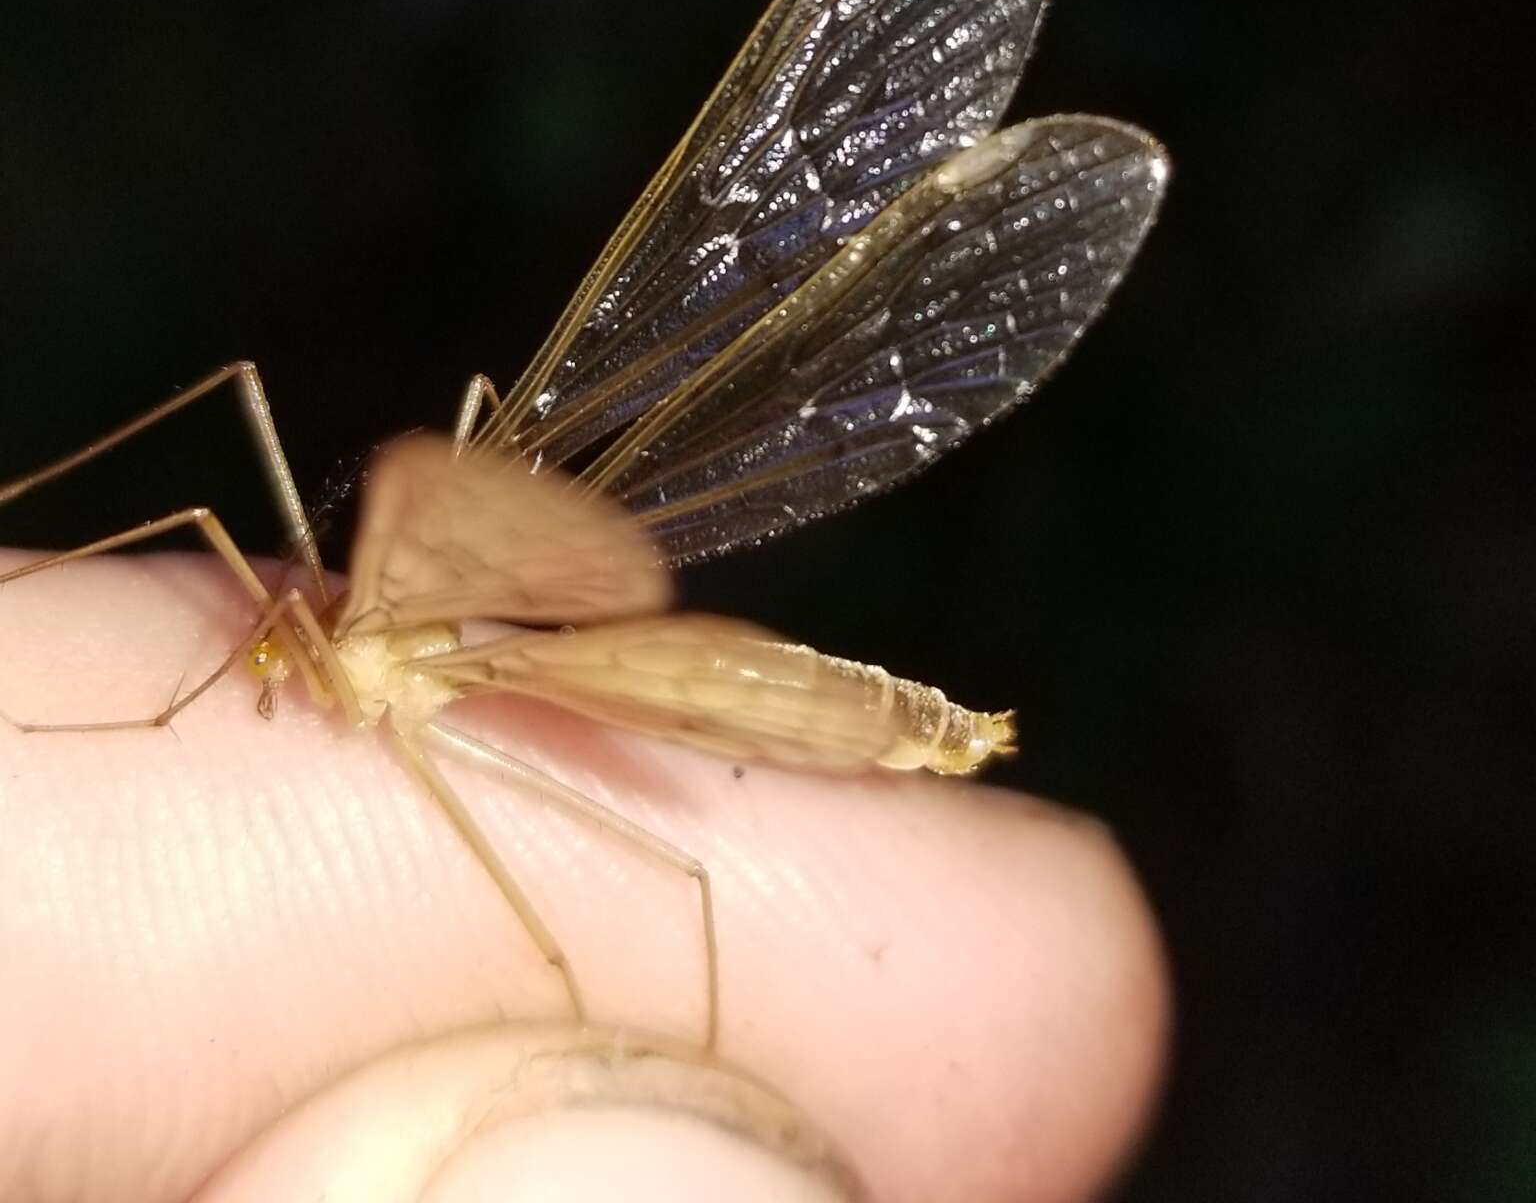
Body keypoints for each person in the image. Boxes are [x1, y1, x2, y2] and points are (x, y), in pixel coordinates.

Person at [0, 534, 1168, 1201]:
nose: (271, 645)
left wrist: (159, 722)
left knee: (661, 886)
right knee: (666, 878)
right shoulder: (356, 633)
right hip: (518, 644)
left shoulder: (381, 663)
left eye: (275, 642)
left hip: (596, 668)